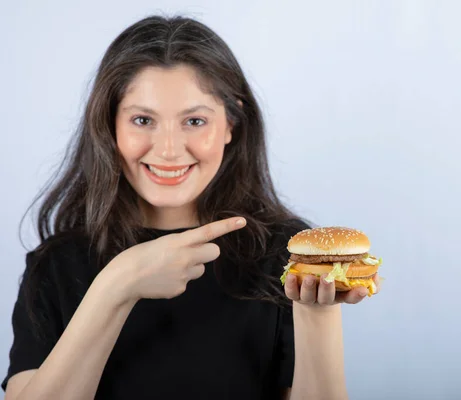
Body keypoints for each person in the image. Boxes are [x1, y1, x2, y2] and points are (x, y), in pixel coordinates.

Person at [2, 15, 379, 400]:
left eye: (195, 120)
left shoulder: (284, 254)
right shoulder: (56, 265)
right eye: (142, 119)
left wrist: (317, 311)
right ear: (109, 125)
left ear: (232, 123)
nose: (168, 149)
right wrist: (116, 287)